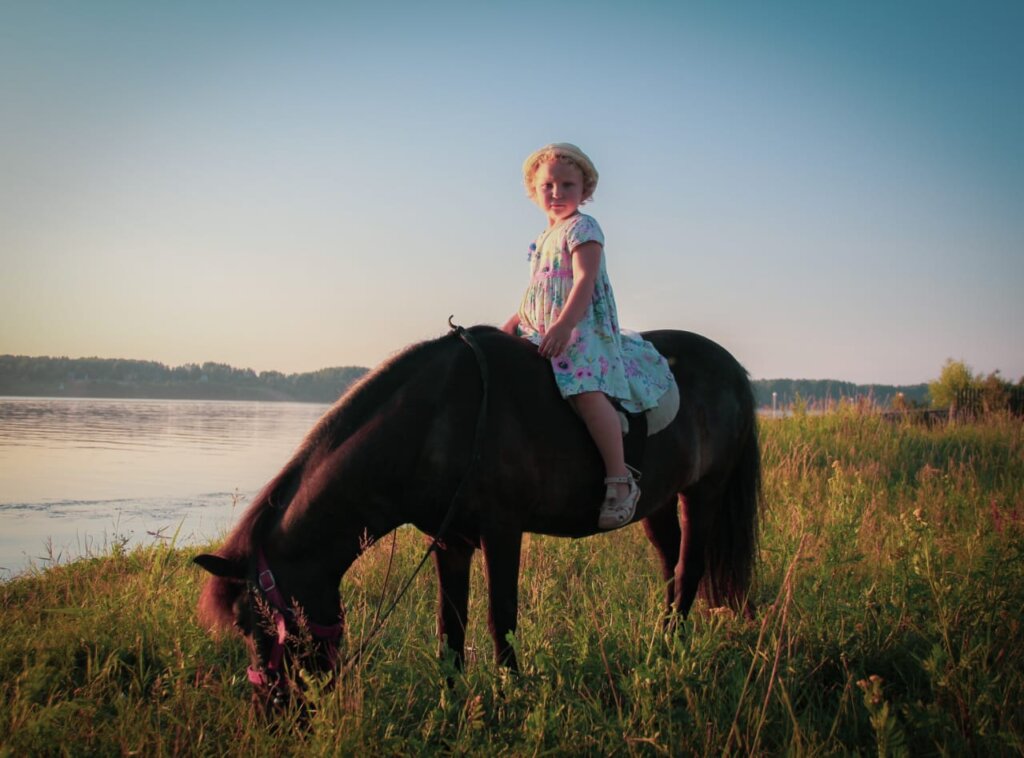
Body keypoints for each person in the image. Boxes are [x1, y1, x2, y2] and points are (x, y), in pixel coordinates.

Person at [502, 143, 675, 530]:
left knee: (584, 390)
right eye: (548, 186)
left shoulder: (583, 228)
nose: (558, 194)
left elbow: (583, 281)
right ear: (534, 190)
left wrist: (564, 325)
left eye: (568, 185)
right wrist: (516, 319)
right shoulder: (541, 239)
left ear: (585, 190)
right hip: (541, 328)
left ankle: (619, 478)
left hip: (581, 330)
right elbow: (540, 289)